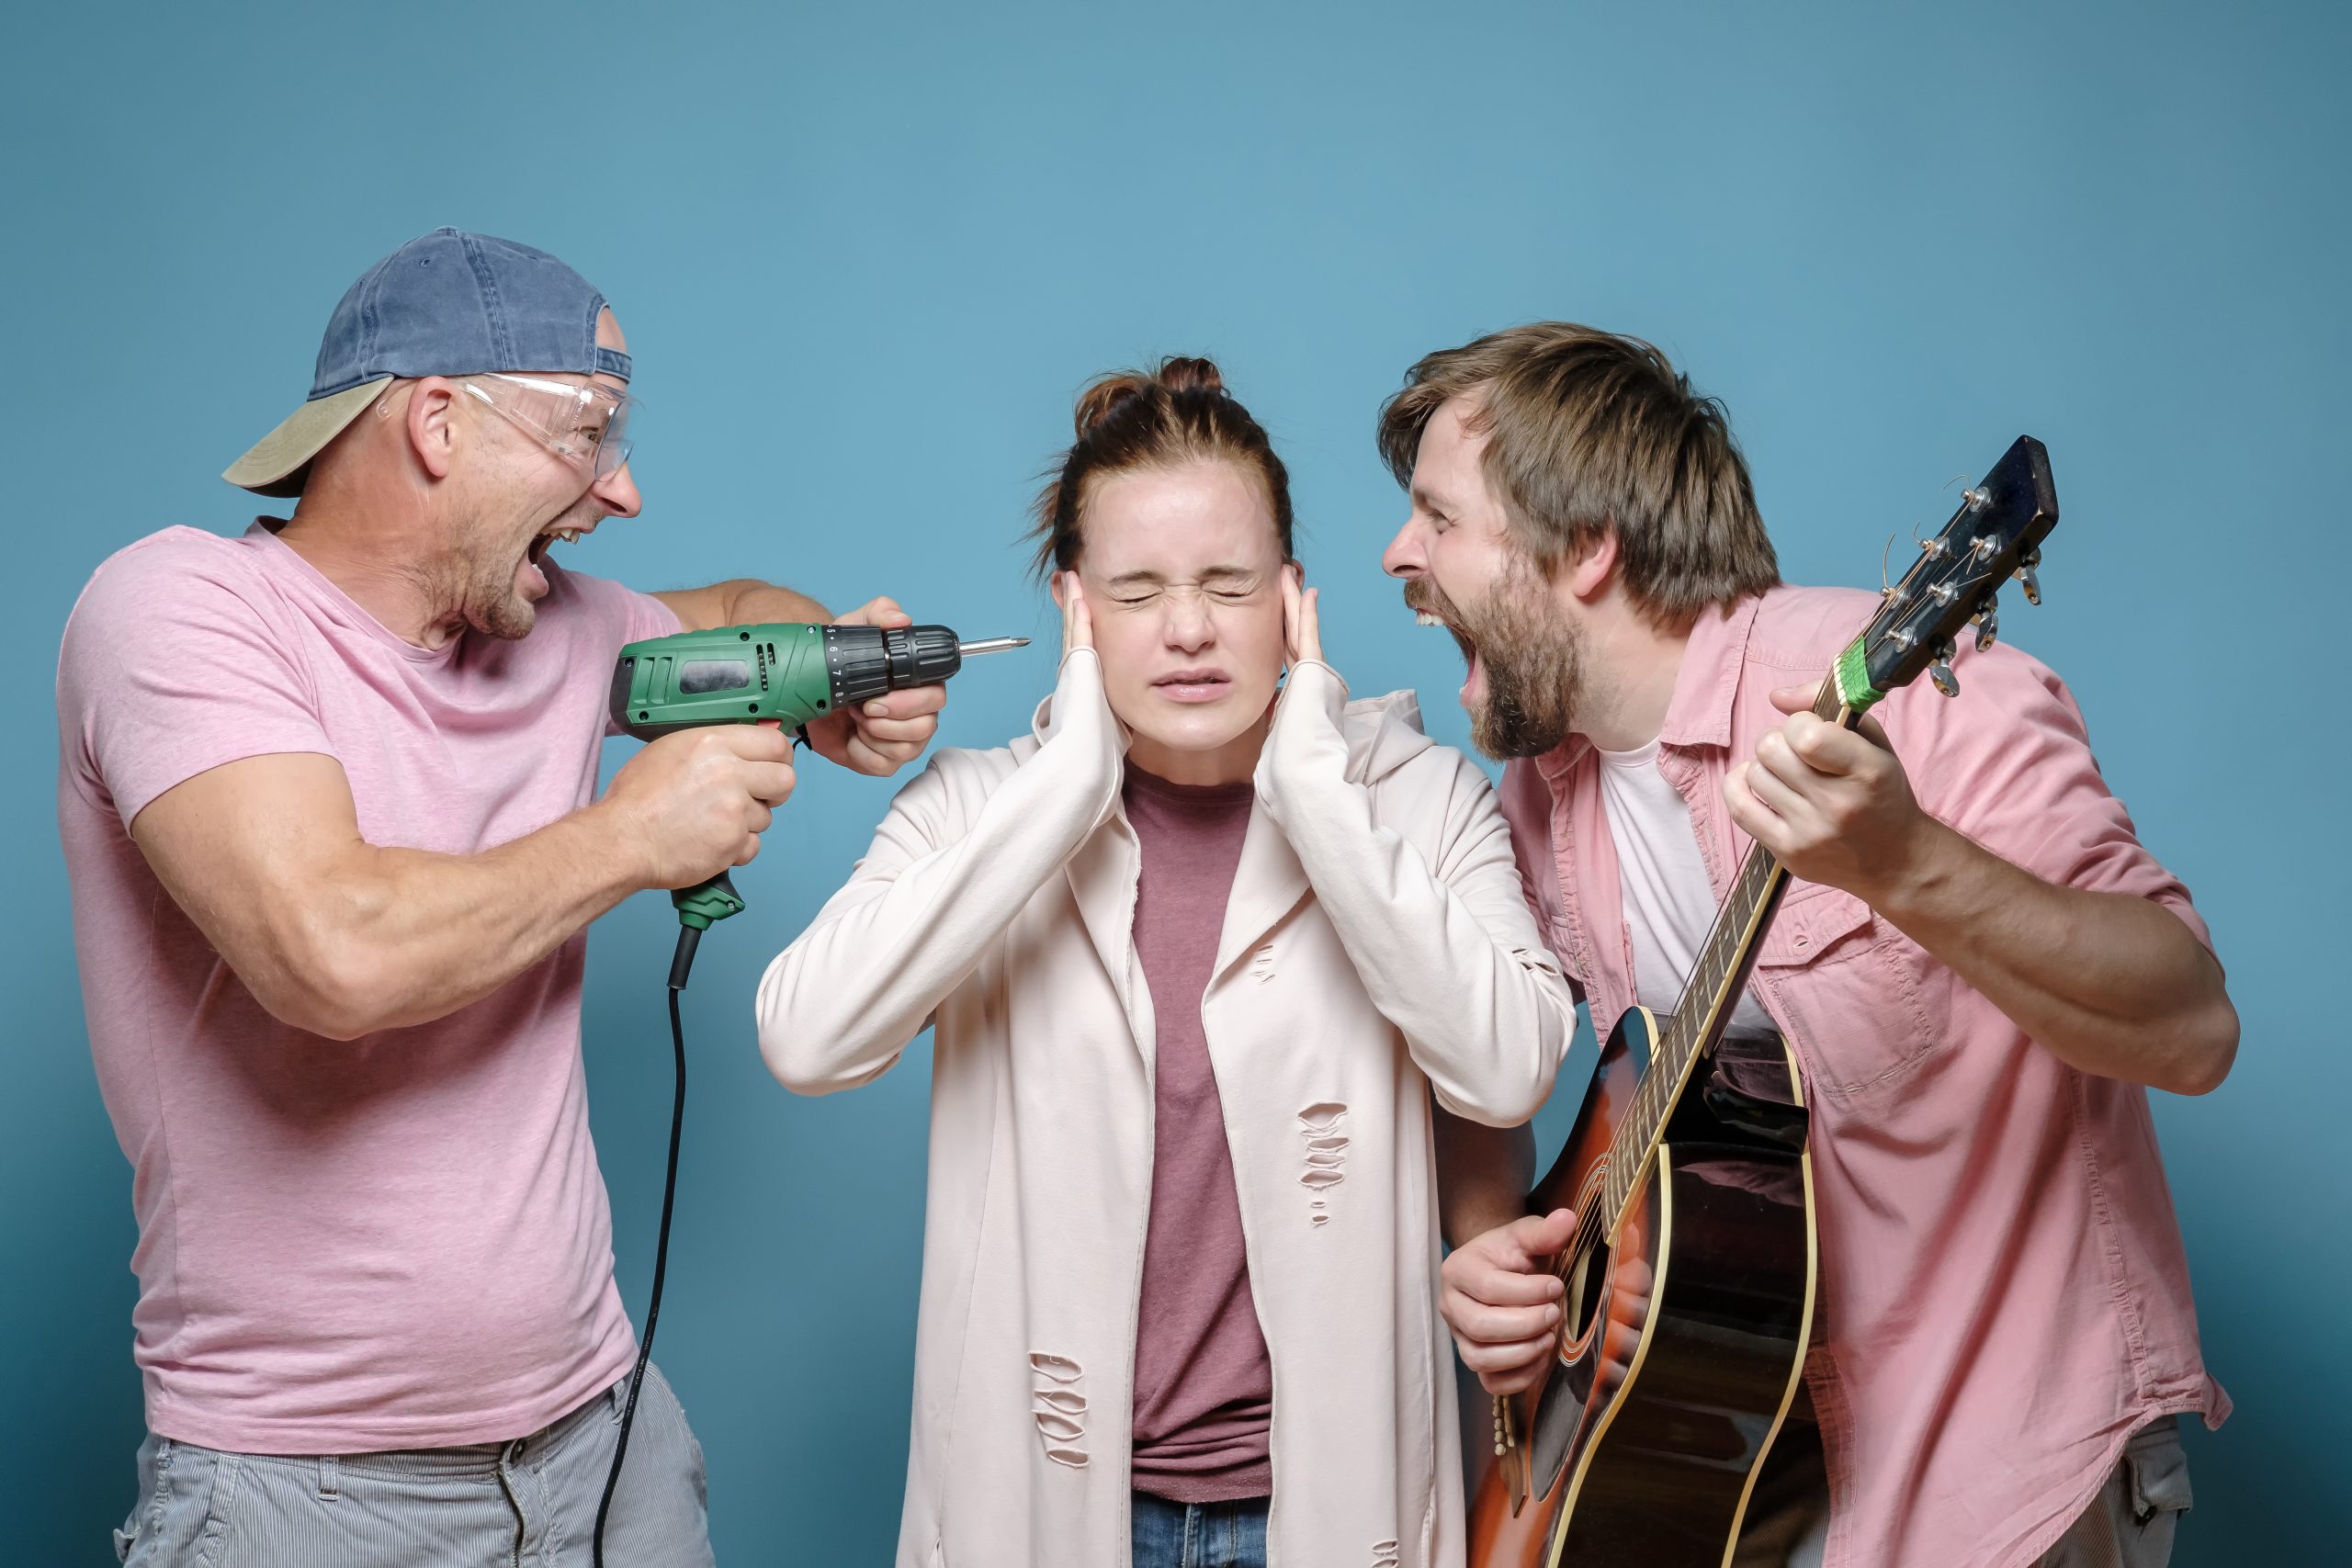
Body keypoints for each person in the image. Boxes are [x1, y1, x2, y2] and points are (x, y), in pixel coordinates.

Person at [56, 229, 944, 1566]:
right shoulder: (182, 611)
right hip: (309, 1497)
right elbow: (331, 952)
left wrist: (832, 675)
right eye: (591, 433)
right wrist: (630, 835)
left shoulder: (554, 625)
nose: (624, 490)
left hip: (605, 1452)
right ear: (434, 423)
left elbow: (740, 609)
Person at [1388, 324, 2237, 1568]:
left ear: (1584, 548)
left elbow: (2192, 1024)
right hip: (1730, 1482)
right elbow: (1488, 1061)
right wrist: (1489, 1250)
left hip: (2000, 1487)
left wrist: (1908, 865)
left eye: (1438, 517)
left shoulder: (1919, 694)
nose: (1399, 555)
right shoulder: (1539, 798)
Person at [754, 357, 1578, 1567]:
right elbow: (807, 1038)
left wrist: (1317, 799)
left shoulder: (1415, 799)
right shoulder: (982, 812)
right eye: (1137, 592)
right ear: (1073, 607)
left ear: (1294, 600)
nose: (1188, 630)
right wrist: (1065, 793)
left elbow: (1506, 1069)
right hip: (1050, 1512)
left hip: (1325, 1509)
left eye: (1228, 585)